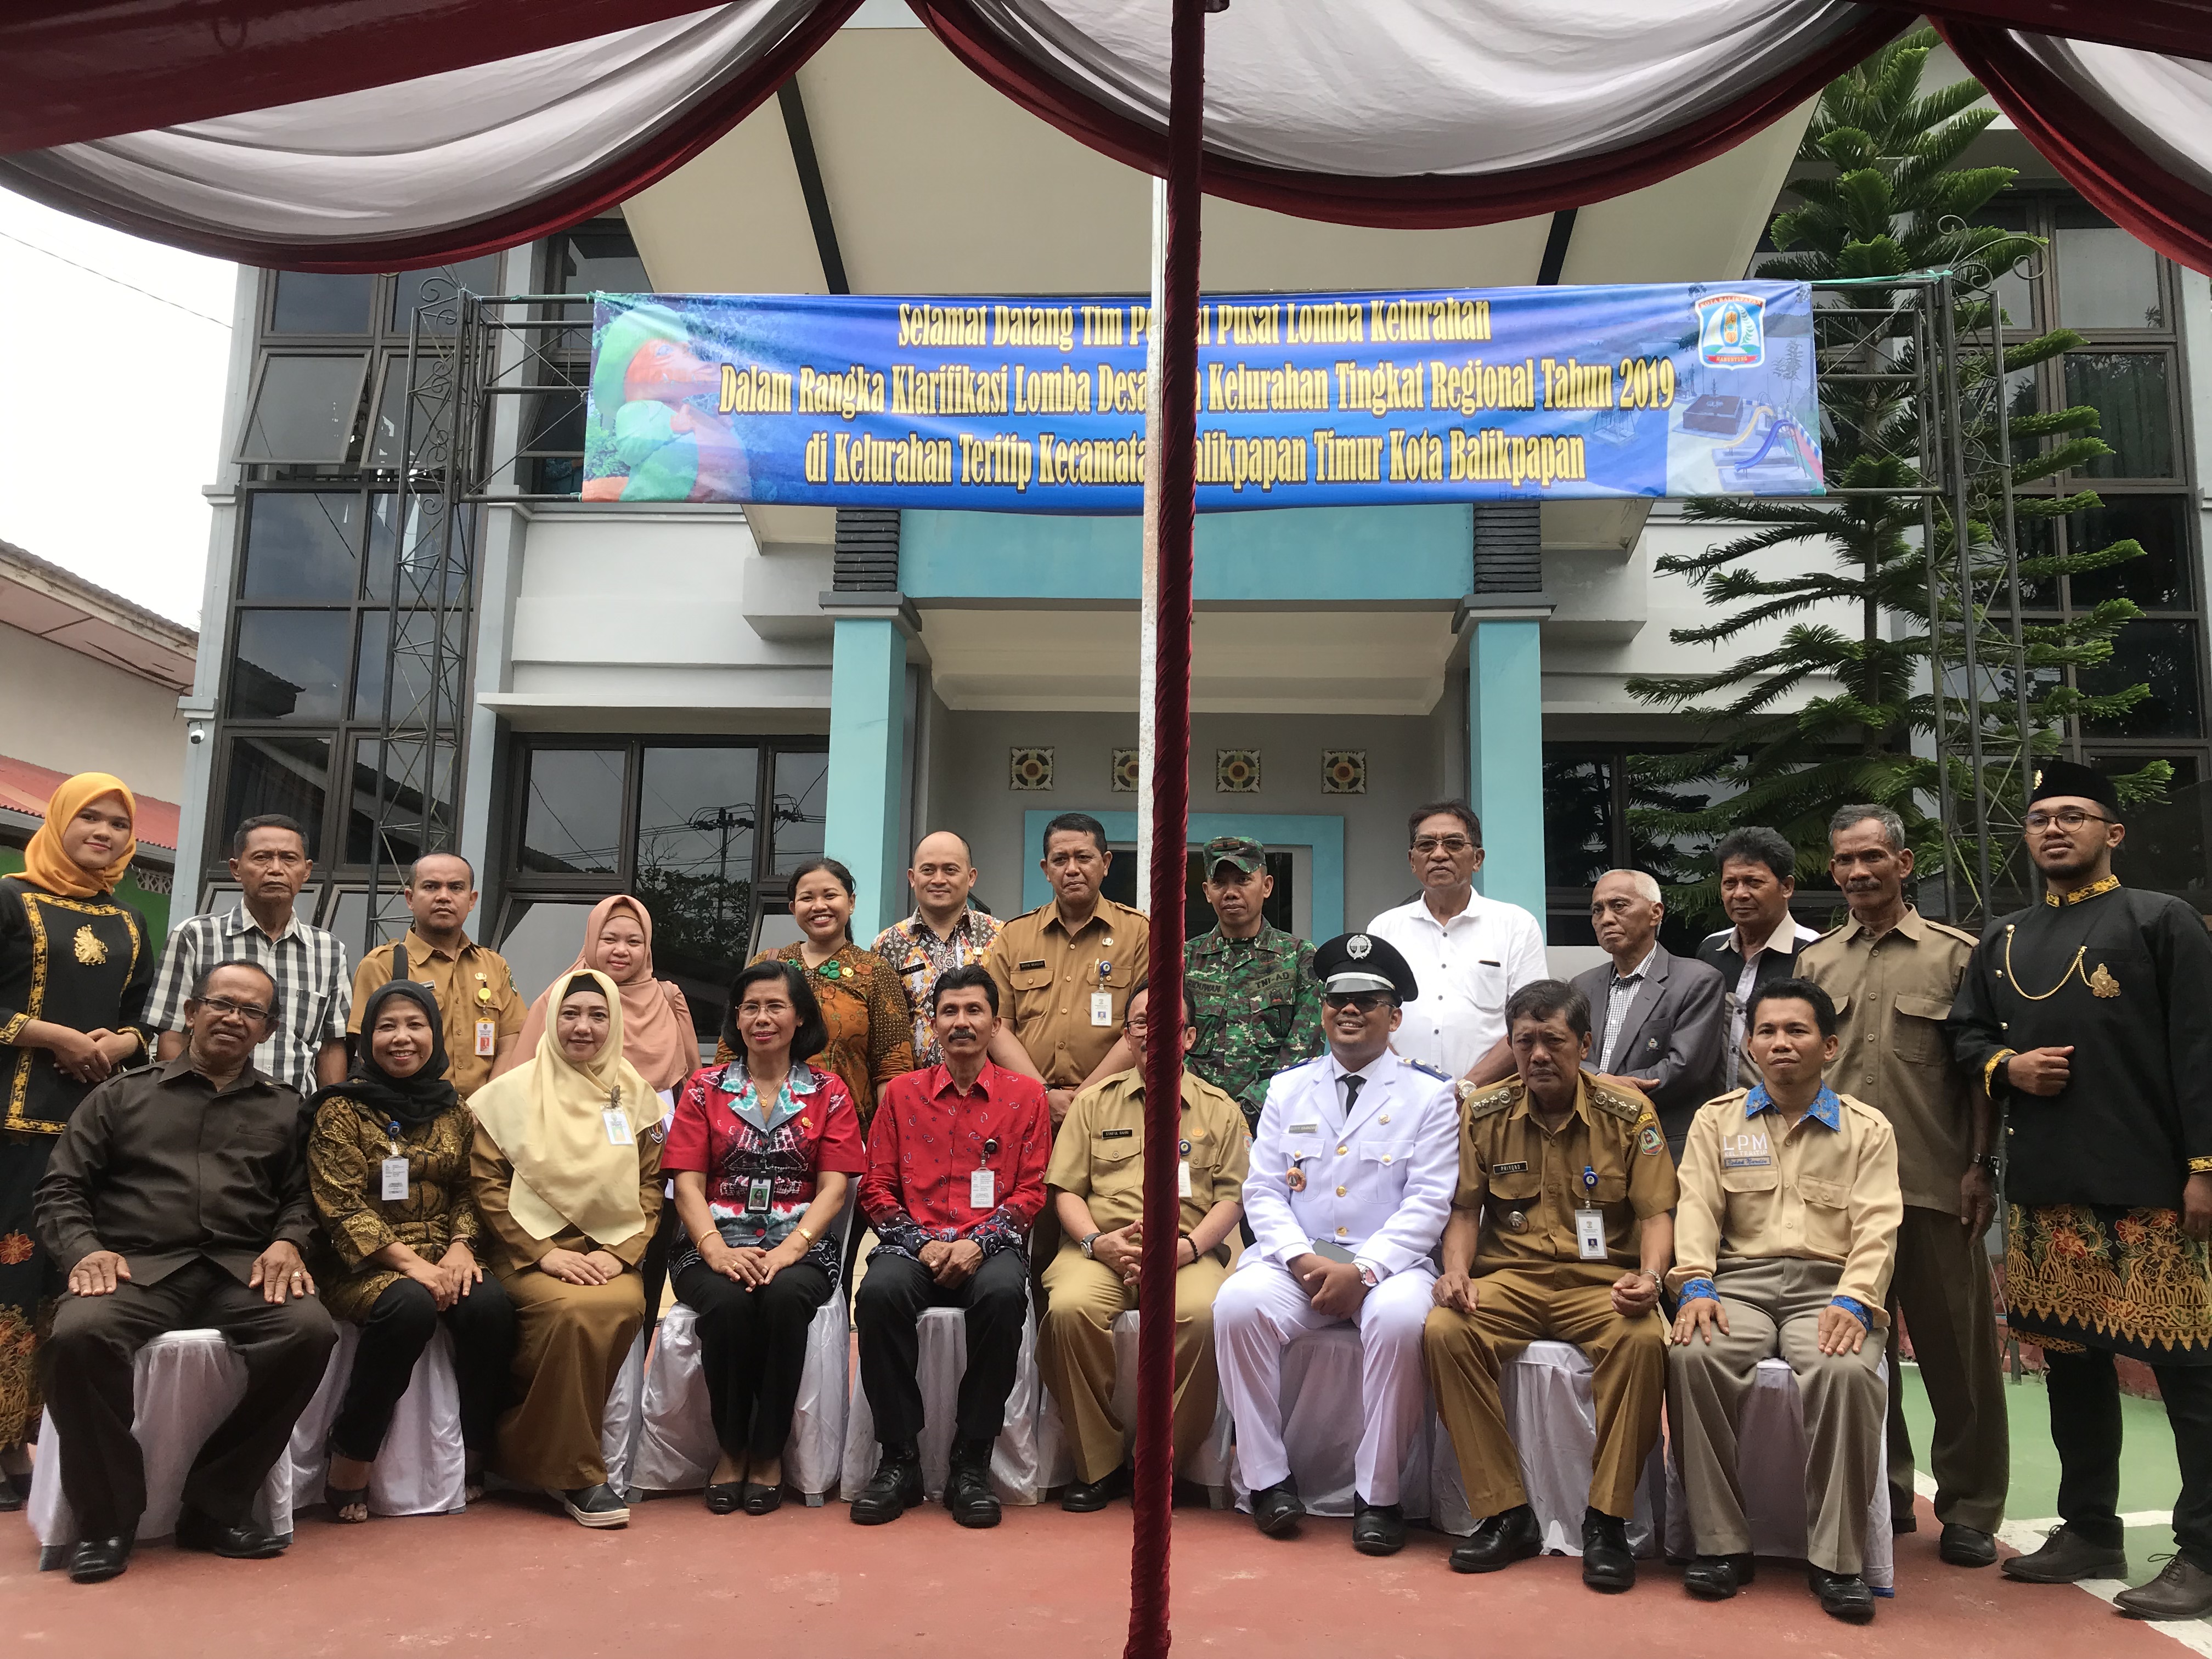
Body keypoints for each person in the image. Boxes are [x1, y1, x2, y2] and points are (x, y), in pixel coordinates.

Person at [1949, 760, 2212, 1620]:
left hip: (2156, 1194)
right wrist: (2006, 1066)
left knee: (2191, 1377)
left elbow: (2202, 1052)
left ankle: (2206, 1552)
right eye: (2039, 819)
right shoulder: (2005, 939)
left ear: (2114, 833)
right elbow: (1965, 1040)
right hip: (2048, 1196)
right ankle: (2089, 1528)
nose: (2053, 829)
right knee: (2071, 1367)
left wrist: (2205, 1168)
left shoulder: (2161, 921)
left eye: (2073, 815)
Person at [35, 961, 336, 1583]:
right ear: (192, 1011)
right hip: (137, 1270)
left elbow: (304, 1197)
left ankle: (215, 1505)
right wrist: (83, 1250)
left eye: (251, 1012)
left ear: (268, 1030)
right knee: (78, 1334)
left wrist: (288, 1242)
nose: (233, 1018)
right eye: (221, 1003)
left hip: (240, 1272)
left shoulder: (287, 1110)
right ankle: (108, 1521)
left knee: (309, 1333)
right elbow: (63, 1188)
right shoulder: (121, 1094)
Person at [1797, 804, 2006, 1567]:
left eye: (1872, 858)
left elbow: (1980, 1077)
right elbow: (1800, 1075)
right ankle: (1886, 1493)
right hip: (1838, 1195)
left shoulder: (1956, 957)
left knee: (1958, 1357)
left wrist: (1982, 1166)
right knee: (1858, 1350)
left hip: (1932, 1182)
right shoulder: (1817, 964)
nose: (1858, 873)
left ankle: (1972, 1506)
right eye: (1845, 861)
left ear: (1904, 863)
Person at [1424, 980, 1675, 1590]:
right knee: (1444, 1330)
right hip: (1511, 1279)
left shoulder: (1628, 1114)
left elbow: (1655, 1215)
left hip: (1601, 1284)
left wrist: (1650, 1277)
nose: (1538, 1056)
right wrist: (1455, 1271)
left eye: (1554, 1042)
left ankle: (1607, 1520)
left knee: (1642, 1340)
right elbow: (1464, 1211)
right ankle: (1504, 1512)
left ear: (1584, 1044)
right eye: (1524, 1042)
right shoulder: (1484, 1113)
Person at [1216, 932, 1458, 1556]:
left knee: (1405, 1322)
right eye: (1337, 1001)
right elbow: (1264, 1191)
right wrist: (1300, 1260)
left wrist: (1368, 1270)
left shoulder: (1429, 1096)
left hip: (1389, 1265)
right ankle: (1269, 1481)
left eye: (1368, 1001)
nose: (1349, 1011)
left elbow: (1430, 1201)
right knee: (1236, 1305)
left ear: (1394, 1015)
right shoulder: (1287, 1089)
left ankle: (1377, 1495)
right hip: (1303, 1260)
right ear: (1323, 1010)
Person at [1668, 978, 1900, 1623]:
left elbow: (1879, 1225)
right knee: (1693, 1354)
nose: (1781, 1044)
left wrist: (1855, 1301)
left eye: (1797, 1031)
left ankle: (1836, 1559)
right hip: (1738, 1287)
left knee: (1846, 1372)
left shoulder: (1866, 1129)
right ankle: (1719, 1546)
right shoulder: (1718, 1121)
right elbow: (1698, 1210)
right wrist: (1694, 1283)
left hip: (1828, 1293)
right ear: (1749, 1045)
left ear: (1829, 1045)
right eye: (1767, 1031)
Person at [307, 979, 517, 1522]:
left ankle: (473, 1449)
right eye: (387, 1026)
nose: (402, 1038)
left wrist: (462, 1247)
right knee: (409, 1307)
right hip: (363, 1261)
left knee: (490, 1307)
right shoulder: (341, 1111)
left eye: (415, 1025)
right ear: (367, 1039)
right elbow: (341, 1207)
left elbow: (470, 1188)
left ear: (435, 1036)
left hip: (444, 1252)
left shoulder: (455, 1109)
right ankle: (351, 1453)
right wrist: (416, 1267)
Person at [0, 773, 154, 1511]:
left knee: (72, 1289)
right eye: (89, 817)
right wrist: (55, 1036)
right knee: (10, 1287)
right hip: (11, 1127)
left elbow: (145, 1019)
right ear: (58, 820)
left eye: (118, 823)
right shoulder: (9, 897)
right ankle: (2, 1445)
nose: (104, 832)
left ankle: (45, 1443)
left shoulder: (129, 923)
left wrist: (119, 1042)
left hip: (94, 1135)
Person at [850, 965, 1051, 1528]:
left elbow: (1032, 1190)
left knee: (1005, 1296)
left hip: (989, 1245)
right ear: (932, 1024)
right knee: (879, 1295)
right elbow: (876, 1188)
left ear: (995, 1024)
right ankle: (899, 1459)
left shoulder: (1026, 1096)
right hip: (914, 1244)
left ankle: (972, 1459)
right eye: (949, 1012)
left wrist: (979, 1245)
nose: (961, 1023)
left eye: (973, 1011)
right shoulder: (902, 1096)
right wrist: (921, 1246)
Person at [1039, 981, 1248, 1511]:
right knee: (1068, 1309)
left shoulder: (1220, 1110)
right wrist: (1094, 1241)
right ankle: (1098, 1463)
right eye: (1140, 1022)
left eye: (1168, 1024)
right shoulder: (1093, 1105)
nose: (1153, 1033)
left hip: (1186, 1251)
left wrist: (1189, 1248)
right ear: (1128, 1036)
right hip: (1102, 1249)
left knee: (1204, 1313)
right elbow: (1065, 1190)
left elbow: (1233, 1199)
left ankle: (1161, 1463)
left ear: (1190, 1036)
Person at [664, 960, 864, 1515]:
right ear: (736, 1017)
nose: (762, 1018)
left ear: (800, 1017)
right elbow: (686, 1183)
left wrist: (789, 1250)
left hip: (800, 1246)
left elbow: (833, 1189)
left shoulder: (829, 1091)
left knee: (781, 1302)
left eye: (775, 1006)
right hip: (711, 1244)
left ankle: (770, 1451)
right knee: (727, 1305)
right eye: (750, 1007)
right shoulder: (705, 1088)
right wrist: (716, 1250)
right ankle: (731, 1450)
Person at [468, 969, 663, 1528]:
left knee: (621, 1303)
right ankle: (578, 1474)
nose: (584, 1028)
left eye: (598, 1016)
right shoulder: (508, 1095)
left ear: (615, 1023)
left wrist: (622, 1253)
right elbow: (487, 1186)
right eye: (571, 1015)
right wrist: (542, 1253)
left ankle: (516, 1449)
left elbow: (651, 1188)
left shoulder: (635, 1096)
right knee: (572, 1310)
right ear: (552, 1022)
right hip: (527, 1250)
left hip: (607, 1249)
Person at [498, 894, 699, 1315]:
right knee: (579, 1281)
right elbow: (521, 1084)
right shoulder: (560, 998)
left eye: (634, 941)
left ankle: (633, 1377)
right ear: (591, 940)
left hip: (652, 1164)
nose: (621, 951)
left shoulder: (668, 1000)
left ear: (648, 948)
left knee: (646, 1274)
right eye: (609, 939)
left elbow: (690, 1084)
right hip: (569, 1168)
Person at [1089, 834, 1324, 1135]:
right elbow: (1164, 1040)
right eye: (1220, 883)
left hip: (1274, 1119)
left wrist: (1246, 1110)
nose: (1231, 892)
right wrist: (1207, 1108)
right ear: (1206, 892)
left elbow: (1303, 1053)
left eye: (1243, 880)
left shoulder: (1299, 958)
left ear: (1266, 887)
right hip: (1192, 1119)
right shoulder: (1181, 959)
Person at [146, 814, 351, 1097]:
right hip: (208, 1108)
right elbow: (172, 1033)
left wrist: (328, 1114)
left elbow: (331, 1046)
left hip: (294, 1117)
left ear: (306, 870)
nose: (276, 869)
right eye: (262, 857)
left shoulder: (329, 950)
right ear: (236, 868)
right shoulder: (196, 936)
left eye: (289, 859)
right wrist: (184, 1105)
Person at [1365, 800, 1547, 1089]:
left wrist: (1466, 1088)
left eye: (1453, 843)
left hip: (1492, 1100)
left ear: (1477, 858)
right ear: (1413, 861)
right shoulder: (1385, 929)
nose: (1439, 854)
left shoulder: (1516, 926)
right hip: (1401, 1097)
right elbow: (1371, 1015)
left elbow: (1531, 1020)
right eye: (1426, 845)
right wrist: (1408, 1086)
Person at [983, 812, 1149, 1126]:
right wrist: (1043, 1095)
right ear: (1046, 870)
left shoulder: (1139, 933)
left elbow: (1142, 1028)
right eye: (1060, 860)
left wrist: (1083, 1100)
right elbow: (998, 1027)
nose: (1072, 869)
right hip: (1029, 1108)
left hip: (1115, 1107)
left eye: (1084, 857)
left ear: (1106, 863)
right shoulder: (1014, 936)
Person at [747, 858, 913, 1132]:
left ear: (851, 902)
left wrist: (886, 1139)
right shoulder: (768, 965)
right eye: (807, 898)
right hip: (764, 1130)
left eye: (830, 895)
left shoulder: (875, 971)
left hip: (846, 1134)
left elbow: (893, 1066)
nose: (819, 906)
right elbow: (731, 1052)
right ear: (793, 908)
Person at [1570, 868, 1725, 1157]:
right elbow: (1566, 1054)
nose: (1606, 919)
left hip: (1660, 1142)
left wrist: (1603, 1088)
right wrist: (1602, 1080)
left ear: (1655, 913)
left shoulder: (1697, 980)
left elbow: (1686, 1068)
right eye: (1597, 910)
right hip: (1589, 1143)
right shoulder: (1582, 985)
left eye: (1619, 906)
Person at [349, 852, 528, 1101]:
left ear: (472, 900)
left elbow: (512, 1040)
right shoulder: (383, 965)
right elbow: (370, 1052)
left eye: (456, 888)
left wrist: (486, 1106)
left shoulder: (494, 965)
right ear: (410, 898)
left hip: (484, 1119)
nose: (444, 896)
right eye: (431, 887)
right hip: (412, 1117)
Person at [1695, 826, 1819, 1088]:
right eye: (1730, 883)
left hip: (1783, 1114)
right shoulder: (1710, 950)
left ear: (1787, 887)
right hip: (1717, 1114)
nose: (1739, 894)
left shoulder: (1814, 952)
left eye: (1754, 882)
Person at [872, 830, 1005, 1069]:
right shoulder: (888, 945)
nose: (938, 880)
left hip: (990, 1092)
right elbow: (883, 1034)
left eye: (950, 870)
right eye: (928, 870)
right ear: (912, 878)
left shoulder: (1001, 937)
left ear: (971, 876)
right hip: (913, 1094)